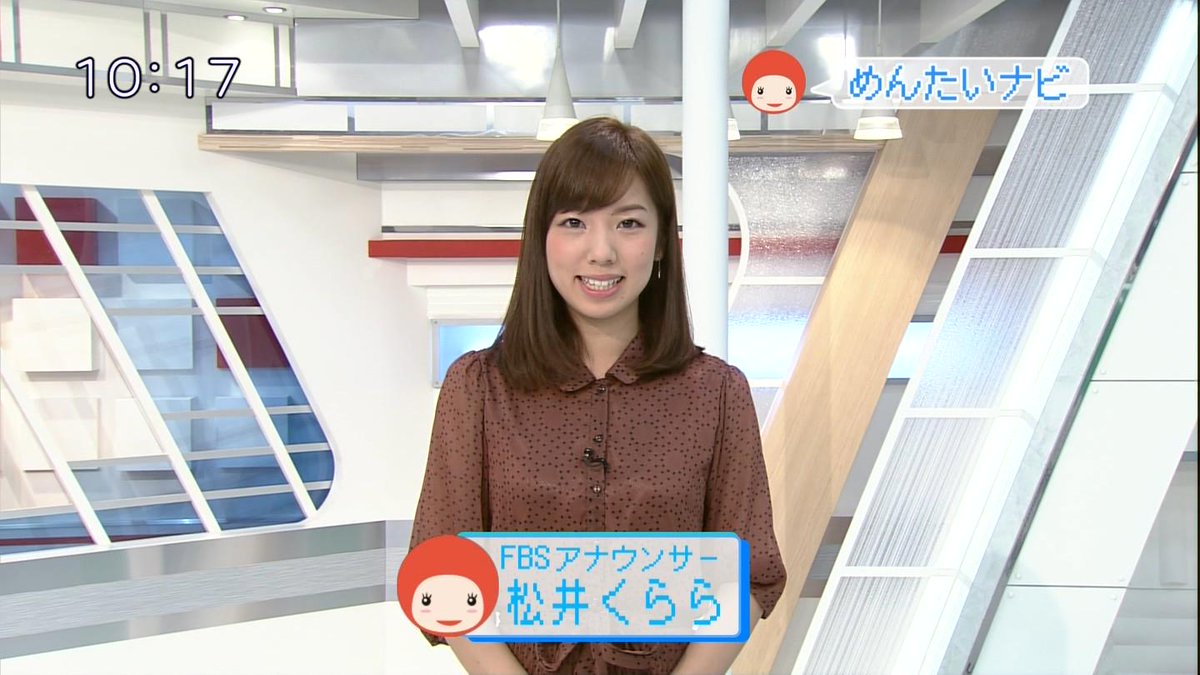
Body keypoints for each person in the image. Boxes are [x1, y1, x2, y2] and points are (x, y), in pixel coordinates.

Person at [409, 116, 787, 675]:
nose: (601, 251)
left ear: (661, 243)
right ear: (541, 239)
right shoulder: (478, 388)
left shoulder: (717, 393)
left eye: (629, 223)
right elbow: (443, 571)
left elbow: (749, 576)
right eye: (574, 222)